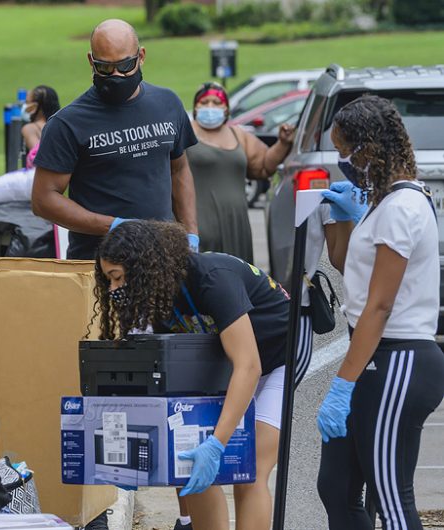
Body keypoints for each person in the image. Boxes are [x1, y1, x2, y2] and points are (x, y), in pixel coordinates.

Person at [94, 220, 292, 530]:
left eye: (118, 278)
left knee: (249, 469)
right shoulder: (156, 297)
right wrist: (130, 455)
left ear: (144, 268)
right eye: (109, 281)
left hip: (278, 357)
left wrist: (216, 443)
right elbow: (153, 382)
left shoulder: (212, 278)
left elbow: (249, 365)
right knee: (191, 463)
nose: (113, 290)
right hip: (227, 363)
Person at [316, 95, 444, 529]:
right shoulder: (383, 203)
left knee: (391, 497)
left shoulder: (402, 207)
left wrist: (342, 383)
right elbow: (347, 267)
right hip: (376, 358)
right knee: (336, 487)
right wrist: (340, 218)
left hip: (399, 358)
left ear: (368, 149)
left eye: (343, 151)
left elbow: (380, 305)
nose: (342, 161)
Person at [32, 19, 199, 261]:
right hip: (97, 263)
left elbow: (179, 170)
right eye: (105, 68)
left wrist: (191, 234)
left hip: (161, 260)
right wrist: (115, 226)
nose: (117, 75)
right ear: (91, 61)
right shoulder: (67, 123)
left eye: (125, 65)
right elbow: (43, 200)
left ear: (141, 56)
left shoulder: (168, 103)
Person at [188, 82, 295, 262]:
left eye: (217, 102)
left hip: (235, 226)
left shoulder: (238, 135)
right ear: (195, 107)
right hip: (198, 226)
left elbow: (263, 166)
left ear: (226, 109)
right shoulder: (185, 133)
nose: (210, 107)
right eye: (204, 102)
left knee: (236, 272)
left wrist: (283, 143)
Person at [20, 85, 60, 169]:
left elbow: (39, 158)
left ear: (34, 106)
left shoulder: (29, 128)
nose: (24, 106)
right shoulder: (61, 126)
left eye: (27, 102)